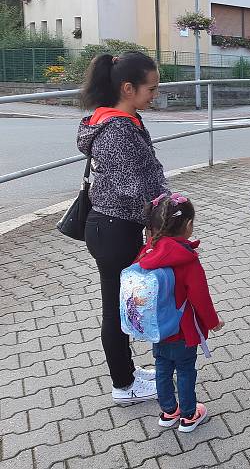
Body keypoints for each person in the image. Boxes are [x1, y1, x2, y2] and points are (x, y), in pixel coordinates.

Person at [77, 51, 168, 403]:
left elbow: (142, 178)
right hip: (113, 229)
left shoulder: (122, 122)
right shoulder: (116, 130)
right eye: (151, 88)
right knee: (115, 310)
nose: (154, 95)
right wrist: (169, 211)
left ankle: (127, 373)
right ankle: (124, 385)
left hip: (115, 225)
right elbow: (136, 186)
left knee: (121, 303)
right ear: (128, 88)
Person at [136, 193, 224, 433]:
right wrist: (213, 321)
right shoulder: (187, 261)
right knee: (185, 370)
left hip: (158, 330)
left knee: (162, 368)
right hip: (184, 331)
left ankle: (168, 411)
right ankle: (188, 414)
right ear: (187, 226)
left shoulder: (146, 254)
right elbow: (200, 298)